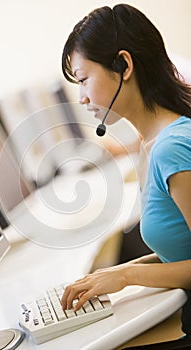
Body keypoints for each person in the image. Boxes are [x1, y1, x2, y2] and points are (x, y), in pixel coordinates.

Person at [60, 3, 191, 338]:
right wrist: (114, 273)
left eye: (84, 79)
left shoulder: (170, 148)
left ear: (124, 65)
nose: (82, 98)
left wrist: (124, 278)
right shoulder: (151, 141)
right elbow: (178, 251)